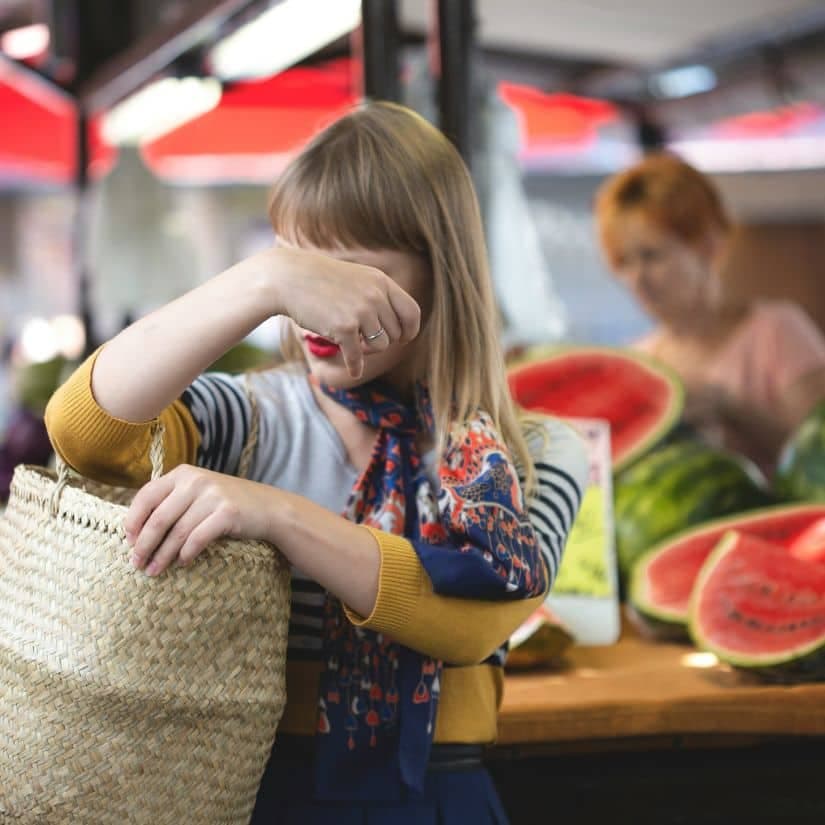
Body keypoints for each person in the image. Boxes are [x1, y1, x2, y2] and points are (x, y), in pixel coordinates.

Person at [45, 101, 588, 823]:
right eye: (302, 266)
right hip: (253, 792)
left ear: (437, 273)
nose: (316, 307)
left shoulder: (535, 454)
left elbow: (469, 622)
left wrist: (275, 513)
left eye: (353, 270)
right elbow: (84, 432)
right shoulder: (248, 419)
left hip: (443, 800)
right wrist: (259, 282)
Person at [594, 151, 825, 474]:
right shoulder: (637, 360)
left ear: (707, 244)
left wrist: (731, 409)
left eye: (651, 256)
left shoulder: (778, 330)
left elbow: (817, 457)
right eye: (624, 262)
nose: (637, 279)